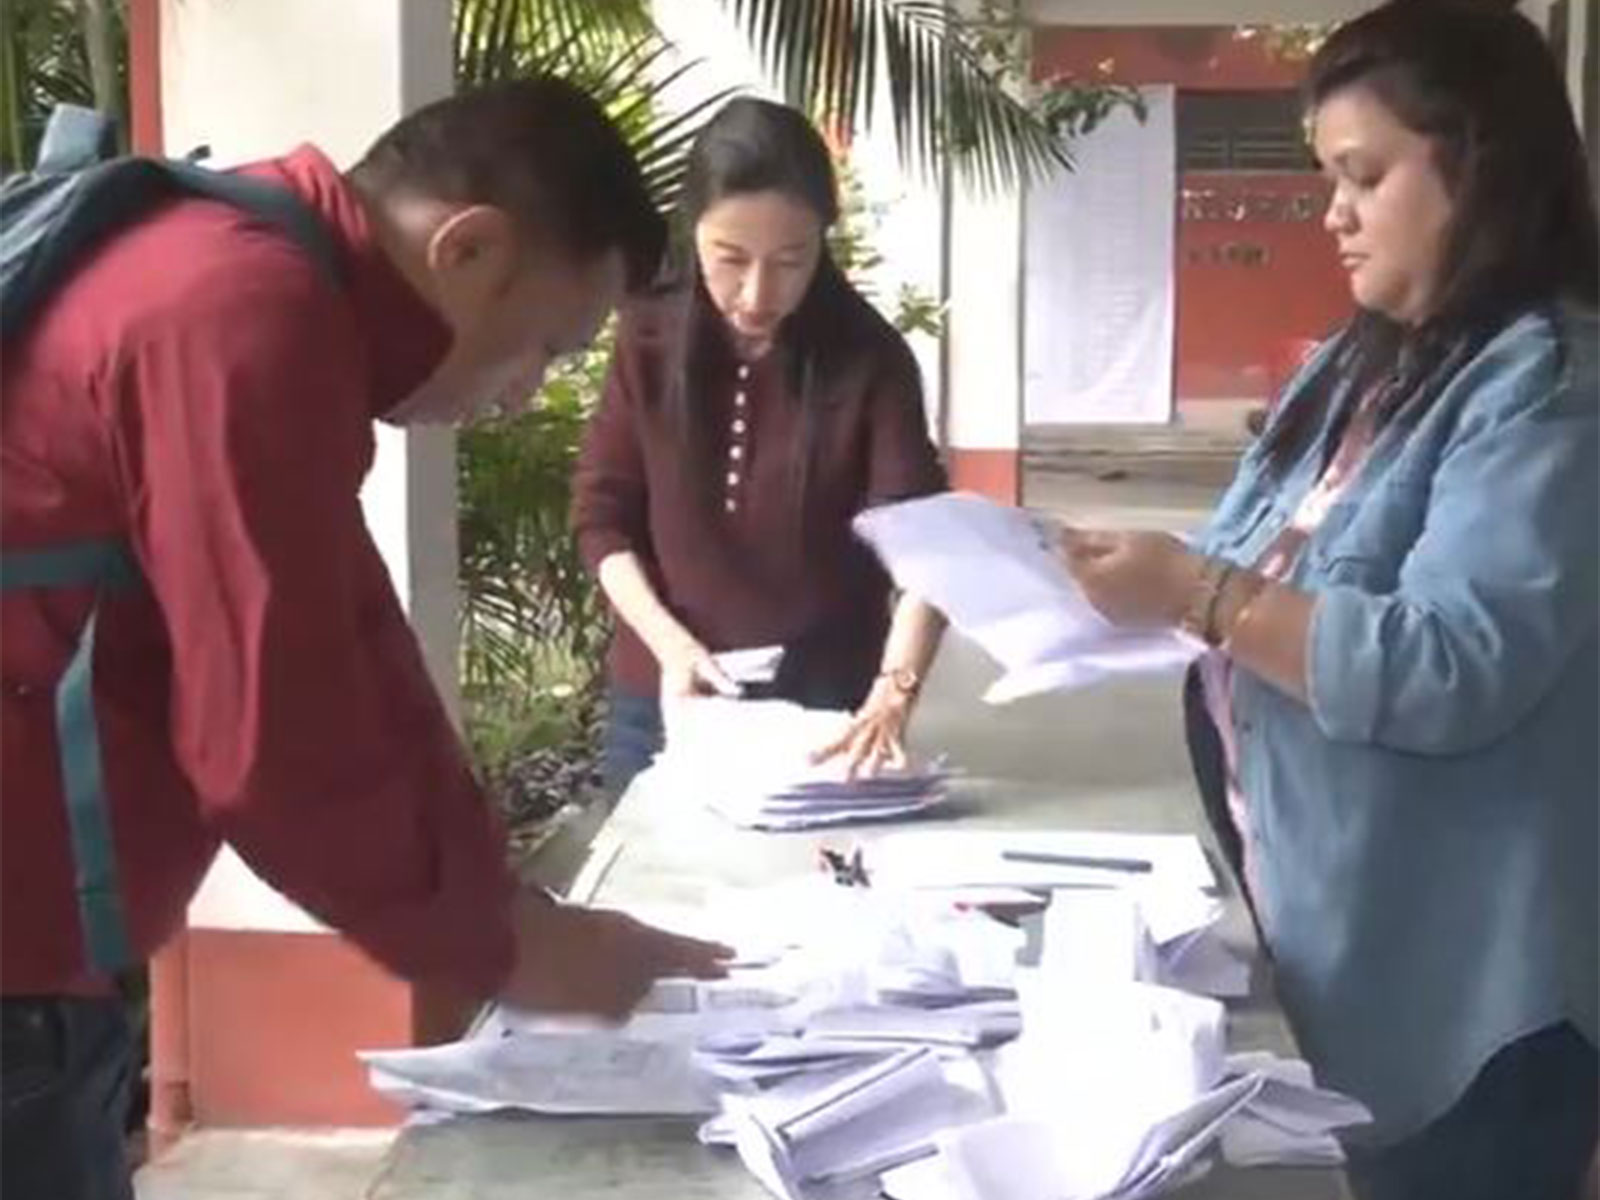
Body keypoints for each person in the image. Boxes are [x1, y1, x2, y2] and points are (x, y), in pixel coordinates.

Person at [1, 79, 731, 1200]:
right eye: (546, 344)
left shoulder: (257, 266)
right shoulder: (240, 310)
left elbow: (351, 651)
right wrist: (509, 953)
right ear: (470, 249)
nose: (524, 392)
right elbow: (273, 741)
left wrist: (501, 905)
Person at [1061, 4, 1598, 1198]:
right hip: (1331, 937)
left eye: (1363, 175)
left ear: (1480, 163)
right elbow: (1247, 557)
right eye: (1326, 176)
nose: (1333, 212)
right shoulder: (1363, 363)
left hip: (1463, 992)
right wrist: (1125, 588)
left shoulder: (1550, 389)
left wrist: (1194, 593)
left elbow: (1450, 662)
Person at [572, 98, 948, 793]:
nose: (756, 291)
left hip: (820, 709)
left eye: (790, 261)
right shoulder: (647, 335)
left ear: (822, 244)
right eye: (730, 258)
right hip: (663, 696)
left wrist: (894, 691)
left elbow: (929, 549)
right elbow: (603, 518)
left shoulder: (872, 359)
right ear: (695, 233)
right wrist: (671, 647)